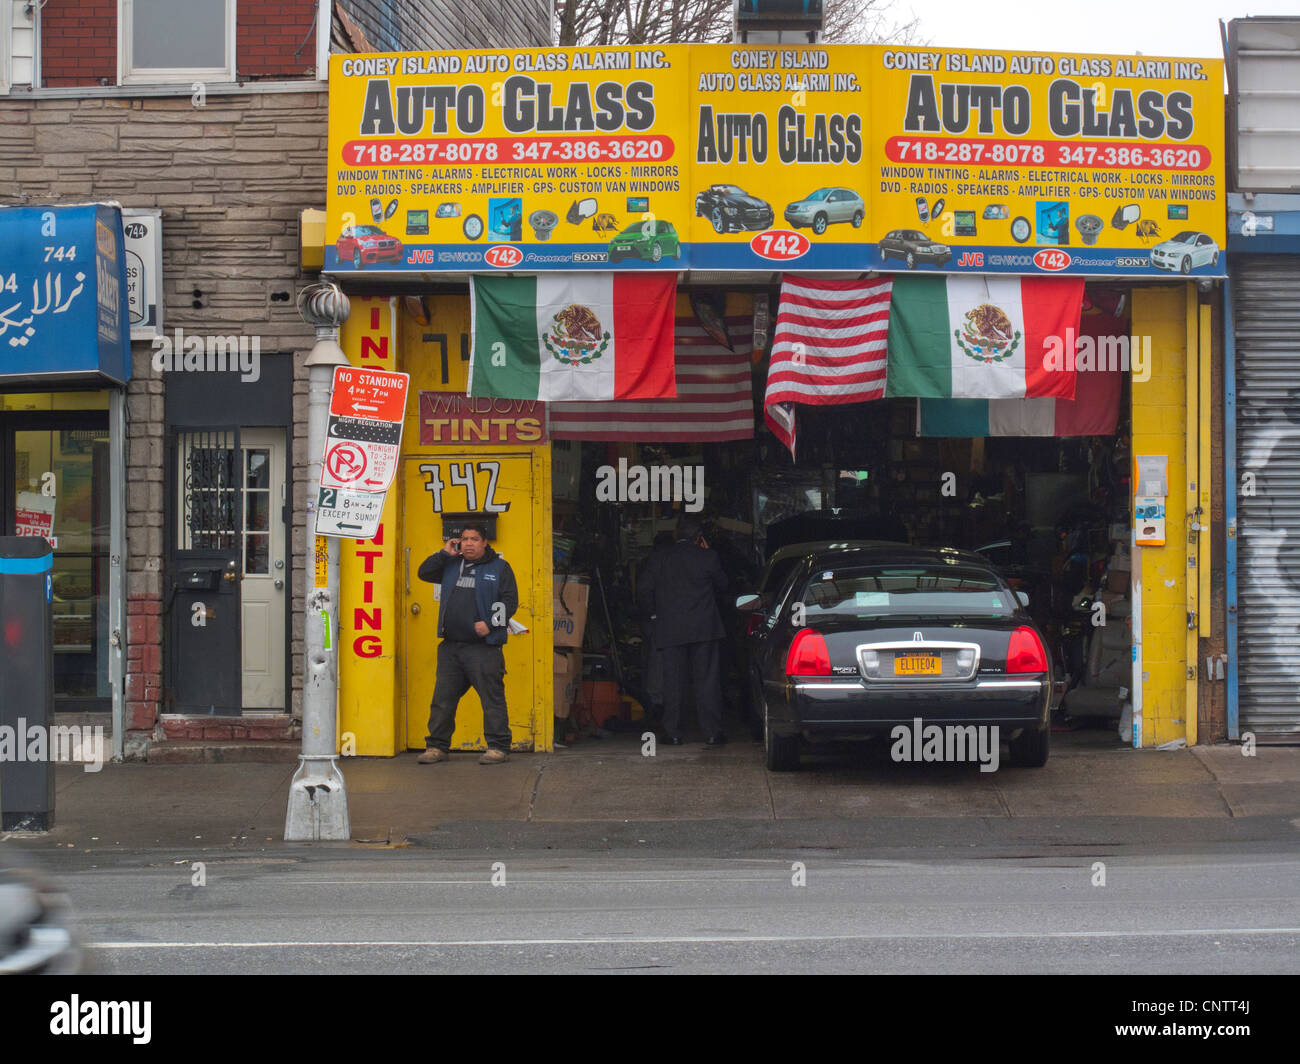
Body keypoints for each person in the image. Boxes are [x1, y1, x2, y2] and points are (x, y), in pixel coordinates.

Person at [415, 522, 519, 765]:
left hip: (483, 648)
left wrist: (491, 624)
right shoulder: (450, 564)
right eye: (464, 539)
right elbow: (423, 573)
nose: (468, 543)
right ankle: (436, 747)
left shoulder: (500, 568)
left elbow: (510, 601)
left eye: (474, 539)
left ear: (485, 543)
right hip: (451, 647)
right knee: (443, 699)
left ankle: (497, 748)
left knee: (491, 699)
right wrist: (443, 553)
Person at [636, 515, 728, 746]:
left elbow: (643, 589)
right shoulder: (709, 557)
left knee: (673, 682)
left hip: (670, 628)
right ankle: (712, 733)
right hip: (704, 629)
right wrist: (707, 551)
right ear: (700, 538)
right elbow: (724, 586)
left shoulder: (659, 558)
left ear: (677, 534)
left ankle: (674, 733)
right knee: (707, 681)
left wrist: (655, 615)